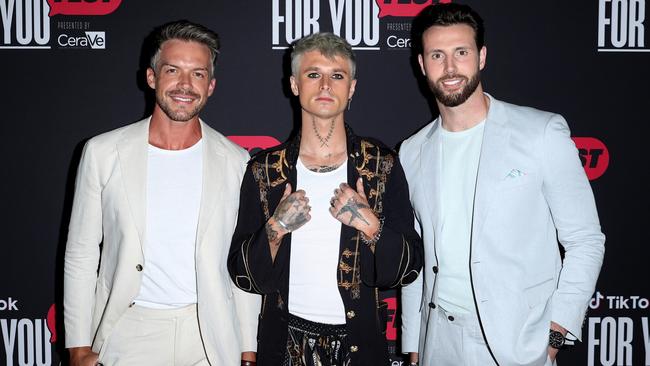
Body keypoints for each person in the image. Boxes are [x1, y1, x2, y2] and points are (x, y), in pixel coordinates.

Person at [399, 4, 605, 366]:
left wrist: (556, 331)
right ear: (422, 64)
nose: (449, 68)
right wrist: (415, 343)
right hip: (438, 342)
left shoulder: (540, 133)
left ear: (481, 57)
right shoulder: (412, 151)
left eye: (461, 53)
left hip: (517, 340)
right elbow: (417, 256)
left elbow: (585, 239)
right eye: (437, 55)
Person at [63, 20, 260, 366]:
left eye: (198, 74)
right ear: (152, 77)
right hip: (130, 330)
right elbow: (81, 253)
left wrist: (247, 346)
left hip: (209, 333)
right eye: (173, 70)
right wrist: (78, 344)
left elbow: (239, 259)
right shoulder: (103, 152)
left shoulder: (236, 160)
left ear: (211, 86)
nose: (185, 85)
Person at [227, 32, 423, 366]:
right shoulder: (265, 170)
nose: (325, 86)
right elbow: (244, 275)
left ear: (353, 87)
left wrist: (369, 224)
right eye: (313, 74)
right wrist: (276, 227)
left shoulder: (380, 165)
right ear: (294, 84)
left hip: (361, 347)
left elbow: (407, 268)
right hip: (284, 345)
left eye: (337, 76)